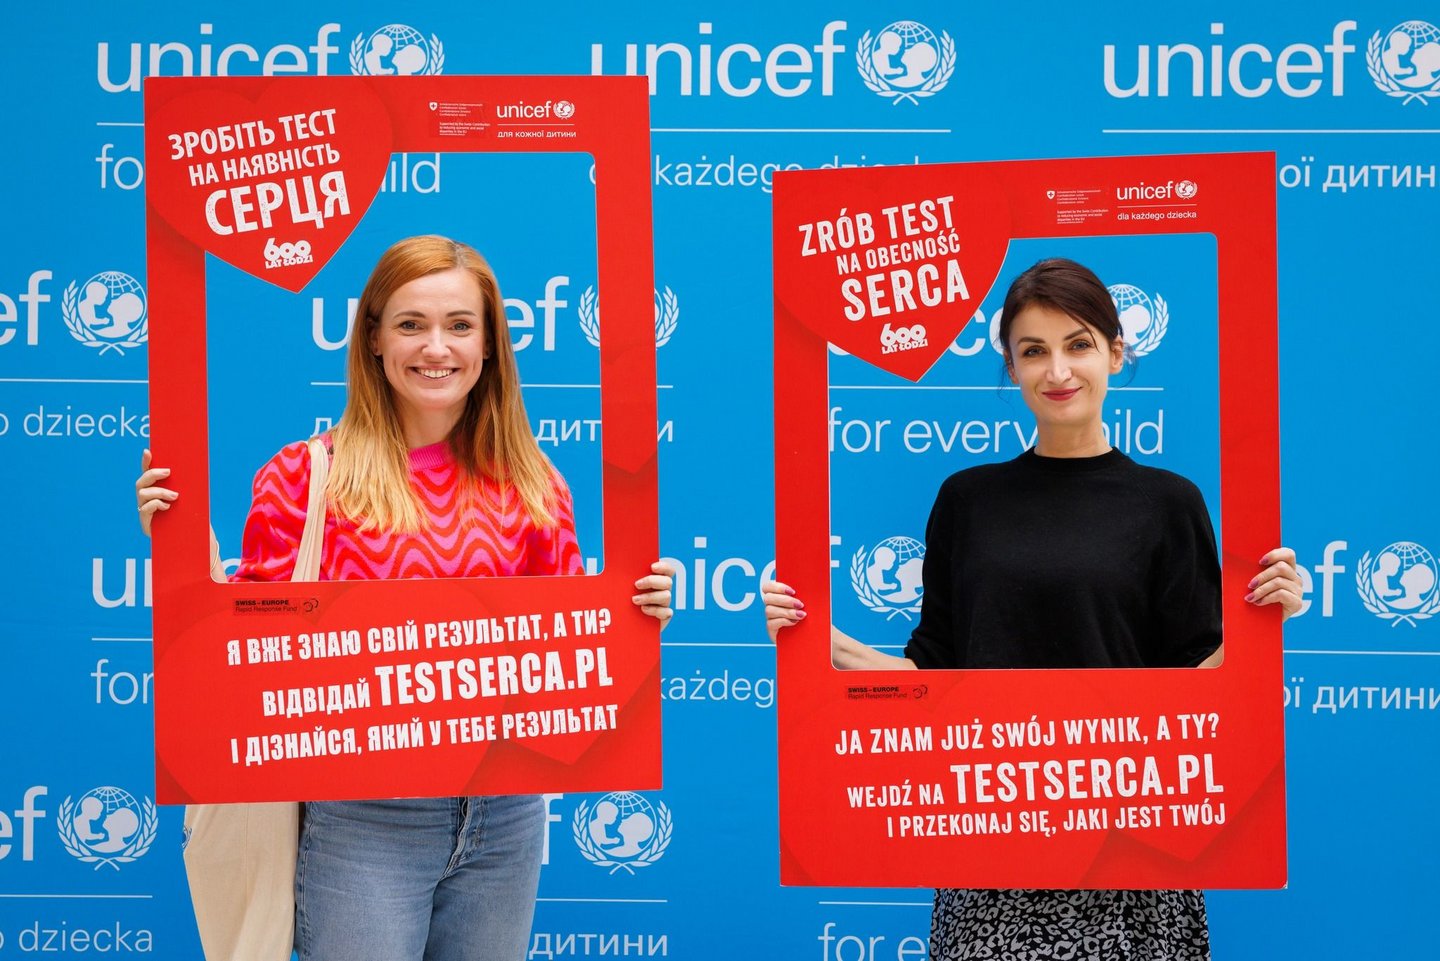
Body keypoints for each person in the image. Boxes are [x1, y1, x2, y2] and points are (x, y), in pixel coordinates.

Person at [137, 234, 674, 961]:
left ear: (489, 345)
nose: (436, 347)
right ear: (374, 339)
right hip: (365, 819)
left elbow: (569, 659)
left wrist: (634, 615)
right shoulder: (305, 477)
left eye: (460, 325)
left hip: (506, 818)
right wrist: (182, 553)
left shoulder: (536, 486)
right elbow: (250, 658)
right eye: (411, 323)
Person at [763, 258, 1301, 959]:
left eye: (1078, 344)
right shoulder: (968, 499)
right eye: (1034, 351)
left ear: (1115, 352)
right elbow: (933, 672)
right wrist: (815, 640)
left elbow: (1202, 681)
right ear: (1011, 367)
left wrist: (1265, 626)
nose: (1058, 370)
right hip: (990, 848)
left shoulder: (1170, 503)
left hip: (1134, 852)